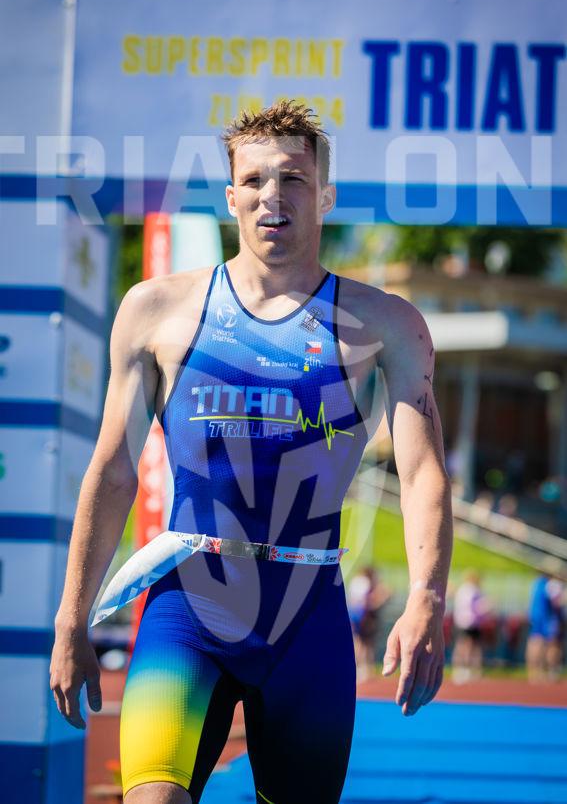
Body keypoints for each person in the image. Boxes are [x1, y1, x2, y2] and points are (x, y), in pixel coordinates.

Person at [49, 99, 453, 804]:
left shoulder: (385, 323)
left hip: (307, 622)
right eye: (255, 180)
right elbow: (113, 470)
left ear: (324, 196)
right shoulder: (154, 311)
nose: (273, 196)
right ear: (231, 196)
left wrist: (427, 598)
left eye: (293, 179)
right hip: (186, 611)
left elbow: (422, 475)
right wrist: (70, 617)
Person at [347, 565, 391, 682]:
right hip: (363, 615)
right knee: (365, 643)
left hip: (355, 614)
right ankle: (364, 668)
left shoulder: (356, 581)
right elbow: (367, 601)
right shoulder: (365, 582)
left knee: (360, 642)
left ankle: (362, 667)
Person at [450, 569, 492, 683]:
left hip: (465, 622)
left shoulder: (464, 589)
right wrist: (486, 607)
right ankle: (465, 669)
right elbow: (473, 607)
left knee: (465, 646)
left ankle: (464, 669)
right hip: (469, 622)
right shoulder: (471, 590)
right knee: (467, 647)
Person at [526, 574, 565, 683]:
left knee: (535, 641)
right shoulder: (552, 584)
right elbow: (557, 602)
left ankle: (534, 673)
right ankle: (551, 672)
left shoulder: (537, 583)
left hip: (536, 616)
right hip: (548, 618)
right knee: (553, 644)